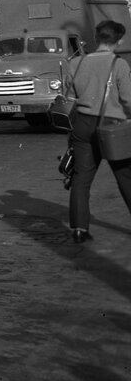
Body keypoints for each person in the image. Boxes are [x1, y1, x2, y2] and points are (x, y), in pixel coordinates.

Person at [63, 19, 131, 245]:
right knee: (125, 177)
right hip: (112, 127)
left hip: (82, 124)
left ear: (96, 37)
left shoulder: (76, 63)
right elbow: (128, 100)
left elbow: (69, 97)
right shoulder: (119, 64)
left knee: (81, 178)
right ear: (119, 40)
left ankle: (79, 229)